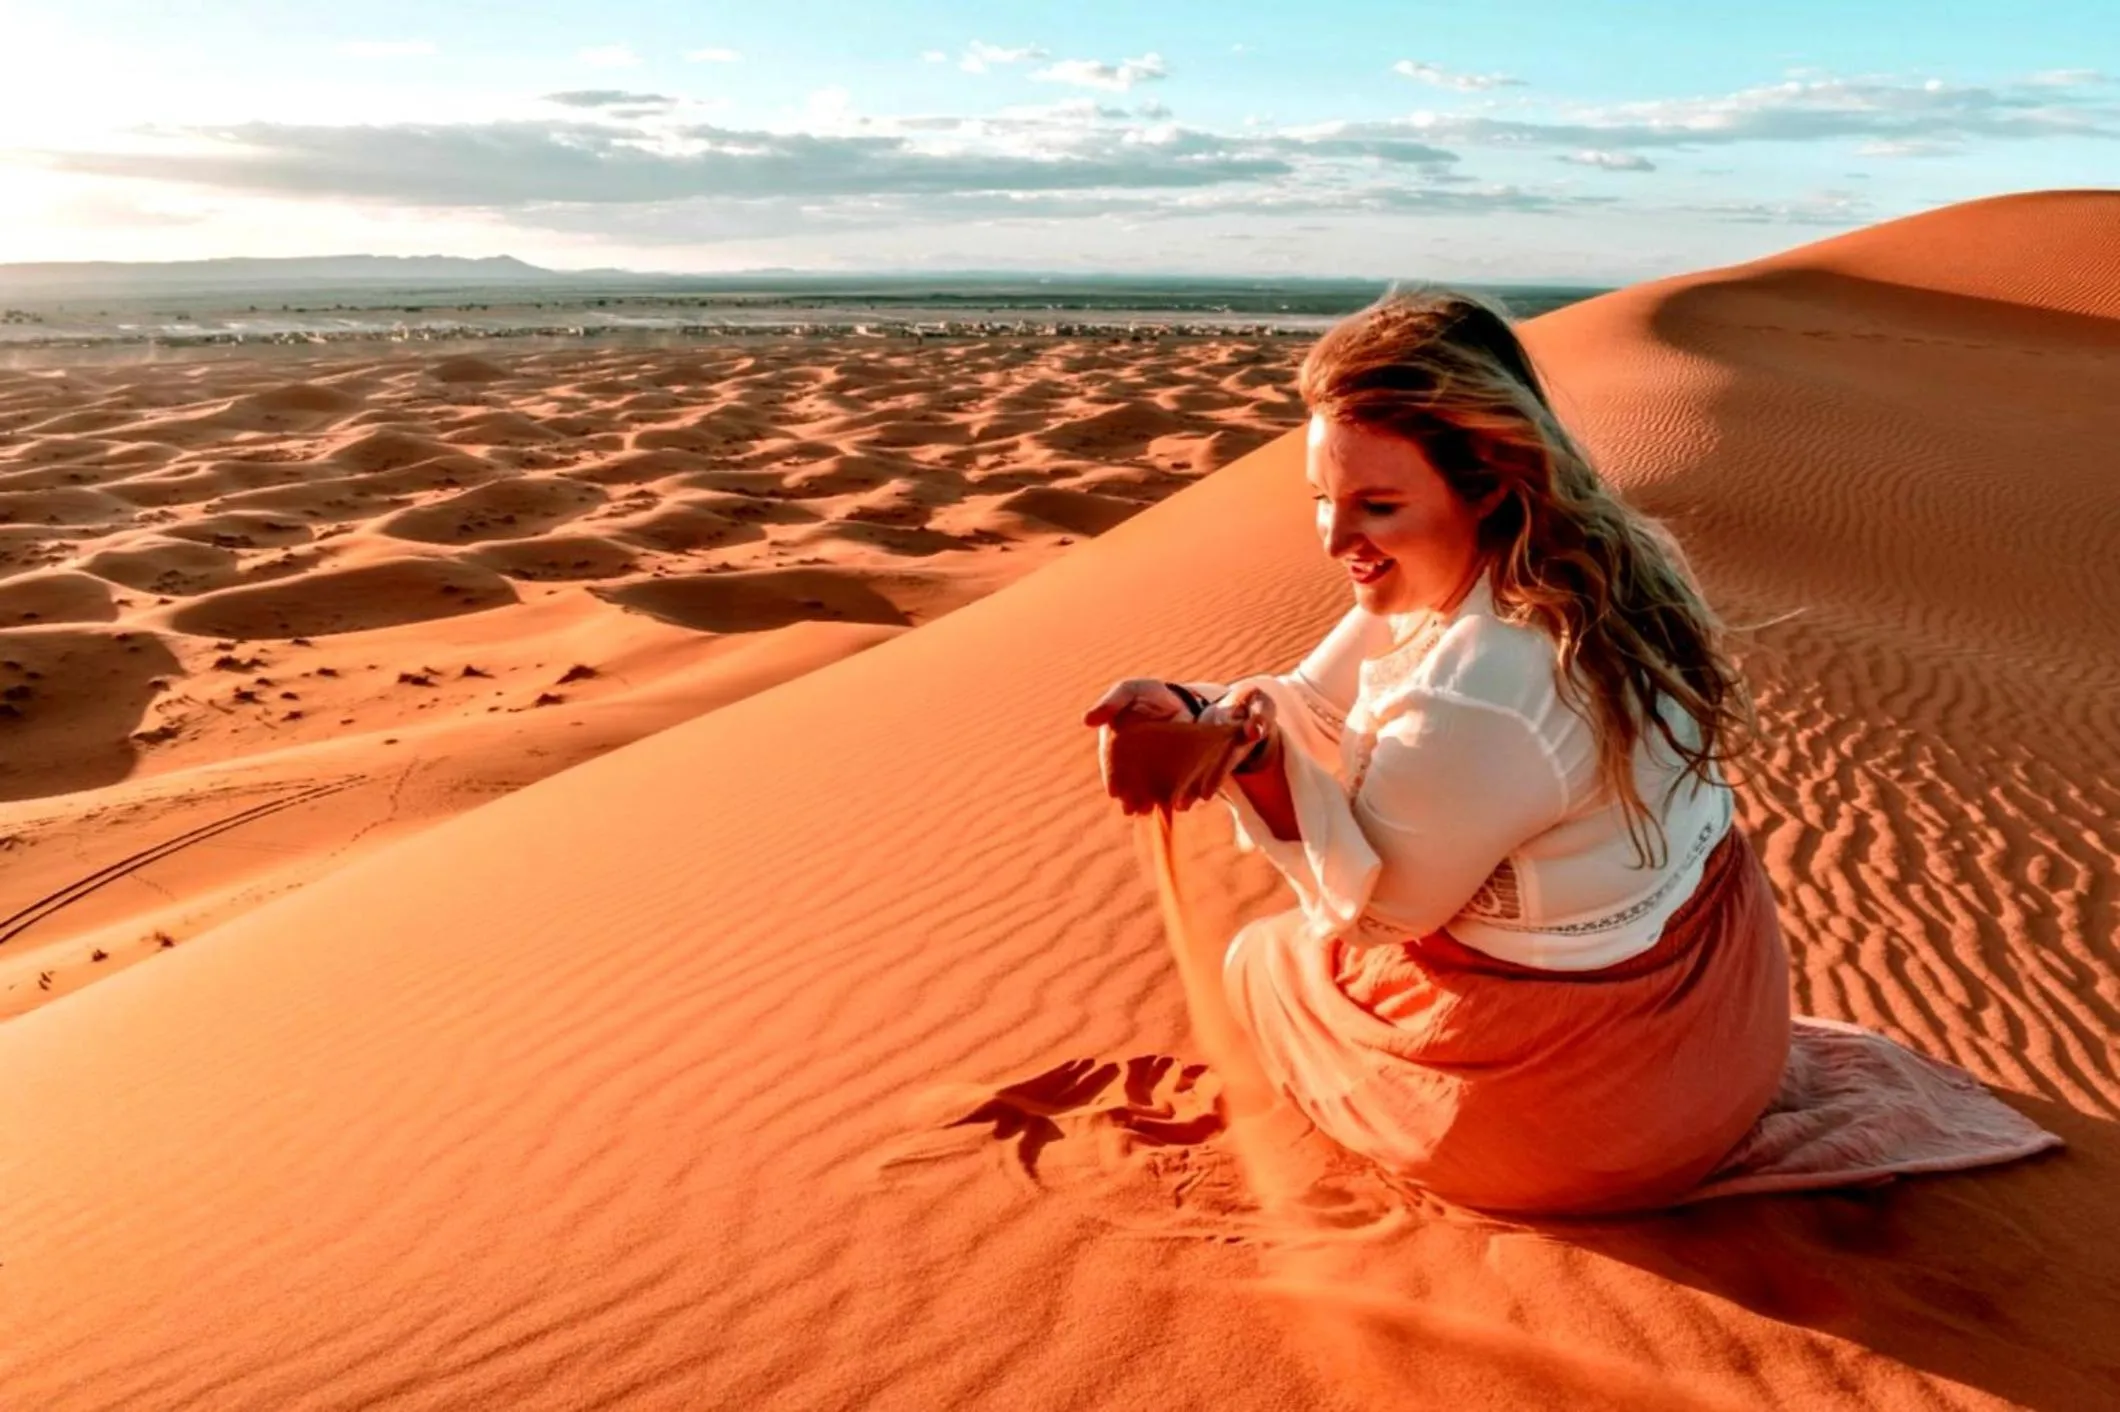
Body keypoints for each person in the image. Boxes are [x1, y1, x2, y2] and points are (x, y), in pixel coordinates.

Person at [1083, 289, 2058, 1215]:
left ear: (1487, 482)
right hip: (1727, 1018)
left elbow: (1382, 914)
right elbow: (1310, 701)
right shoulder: (1592, 557)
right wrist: (1194, 708)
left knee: (1264, 961)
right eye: (1319, 499)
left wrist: (1251, 769)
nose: (1337, 536)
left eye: (1376, 506)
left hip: (1579, 1116)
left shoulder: (1485, 679)